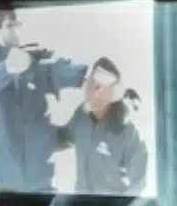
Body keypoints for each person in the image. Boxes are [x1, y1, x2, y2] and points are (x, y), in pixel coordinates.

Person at [0, 4, 89, 193]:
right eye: (9, 25)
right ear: (0, 29)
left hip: (41, 180)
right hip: (6, 182)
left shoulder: (38, 67)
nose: (15, 30)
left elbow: (58, 71)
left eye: (18, 24)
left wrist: (88, 74)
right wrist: (9, 67)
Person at [57, 58, 148, 196]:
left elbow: (139, 181)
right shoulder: (81, 117)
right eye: (91, 84)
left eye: (99, 87)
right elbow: (64, 137)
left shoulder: (127, 131)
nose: (92, 92)